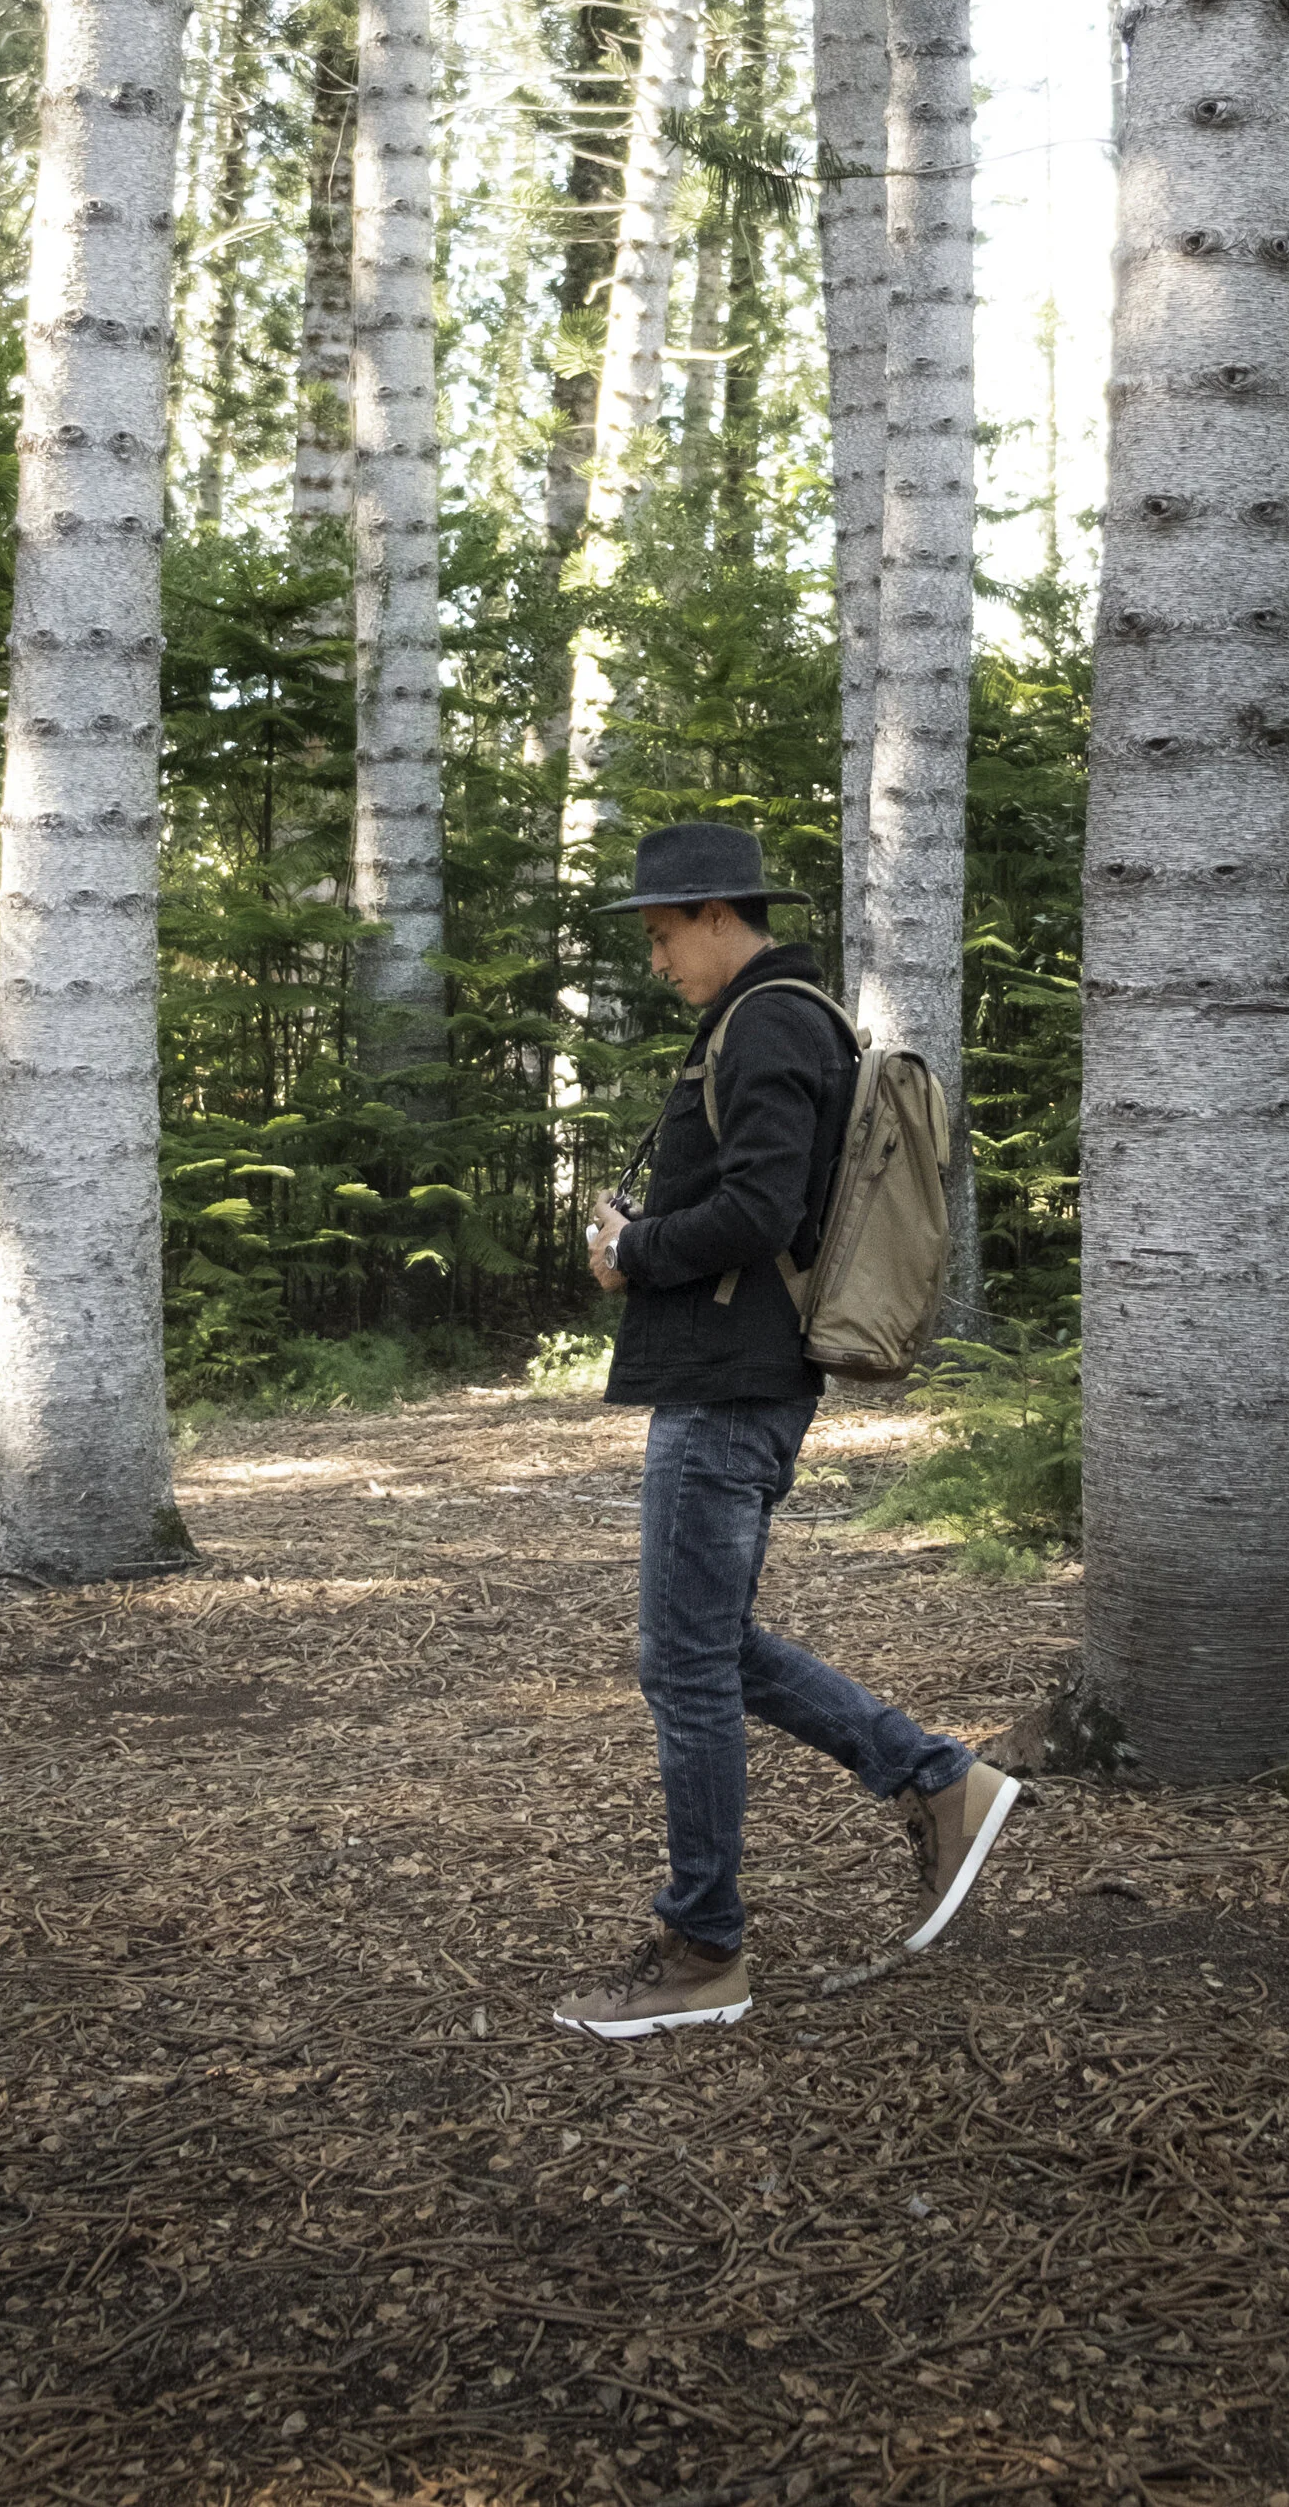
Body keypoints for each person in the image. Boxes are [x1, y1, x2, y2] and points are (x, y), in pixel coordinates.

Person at [552, 820, 1017, 2040]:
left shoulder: (768, 1020)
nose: (657, 960)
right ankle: (937, 1780)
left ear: (717, 915)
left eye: (663, 935)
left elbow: (759, 1203)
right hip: (731, 1378)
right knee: (704, 1646)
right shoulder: (767, 1019)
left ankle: (705, 1948)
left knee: (686, 1661)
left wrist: (630, 1249)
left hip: (728, 1387)